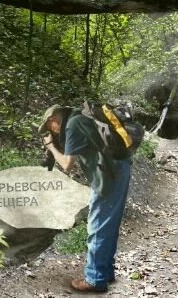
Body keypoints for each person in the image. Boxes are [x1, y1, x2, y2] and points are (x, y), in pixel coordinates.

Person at [38, 104, 132, 293]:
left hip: (108, 175)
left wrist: (50, 146)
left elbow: (66, 164)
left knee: (97, 224)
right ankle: (105, 271)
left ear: (53, 120)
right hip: (121, 167)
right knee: (109, 223)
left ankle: (95, 279)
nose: (53, 132)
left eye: (51, 129)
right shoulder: (81, 117)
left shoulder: (72, 124)